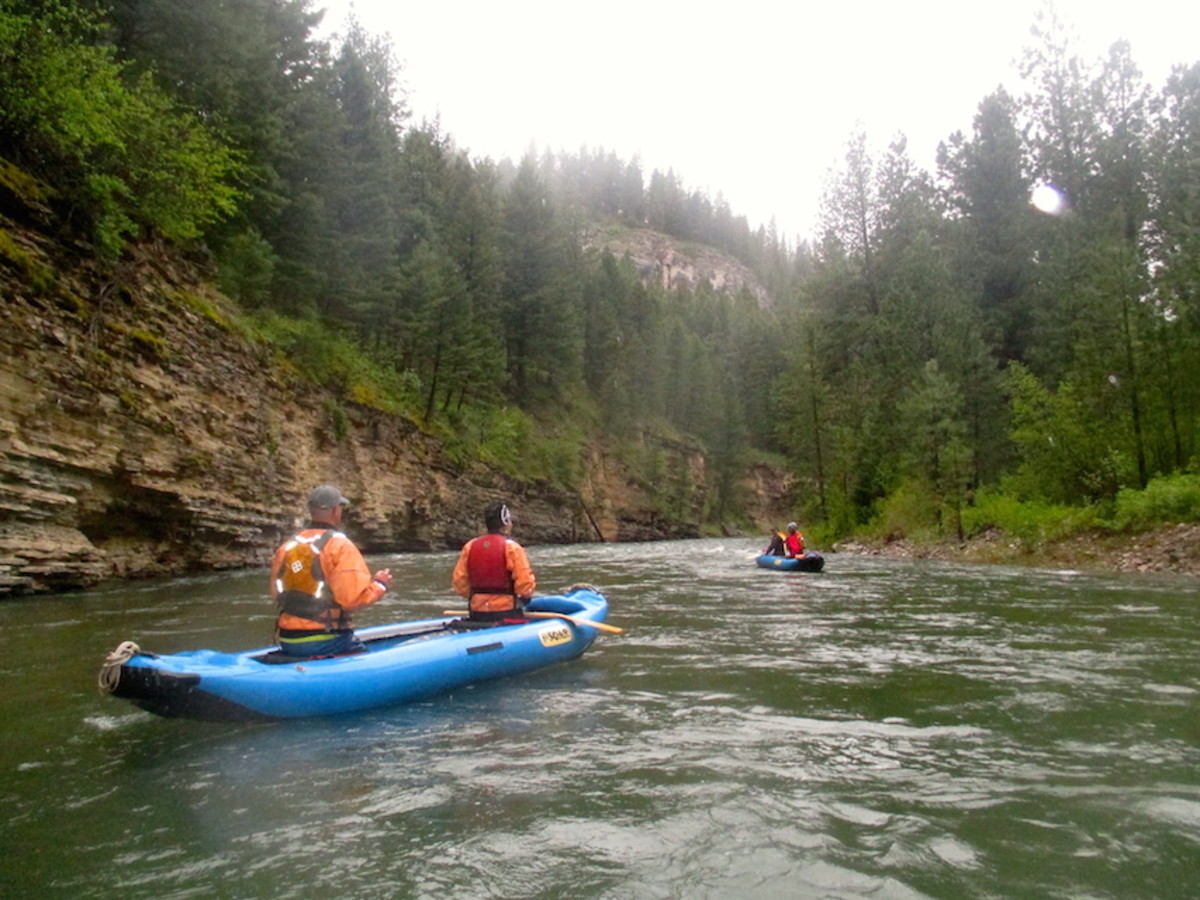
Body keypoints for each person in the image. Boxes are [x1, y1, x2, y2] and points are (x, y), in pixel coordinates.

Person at [270, 484, 393, 657]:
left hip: (287, 639)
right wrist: (380, 585)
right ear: (336, 510)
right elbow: (352, 600)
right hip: (325, 641)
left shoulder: (287, 547)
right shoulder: (340, 546)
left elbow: (277, 594)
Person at [452, 500, 536, 622]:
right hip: (506, 613)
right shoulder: (512, 548)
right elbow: (525, 584)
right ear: (506, 522)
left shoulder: (470, 546)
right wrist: (524, 598)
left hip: (477, 612)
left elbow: (459, 583)